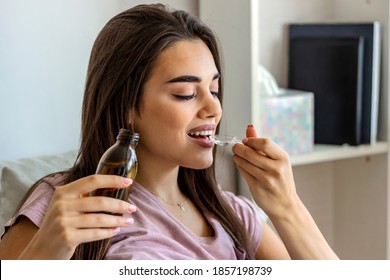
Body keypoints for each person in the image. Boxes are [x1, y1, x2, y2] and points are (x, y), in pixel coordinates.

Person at [0, 3, 338, 260]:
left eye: (214, 90)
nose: (214, 109)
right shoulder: (66, 205)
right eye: (186, 94)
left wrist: (287, 207)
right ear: (127, 106)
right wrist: (44, 252)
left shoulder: (234, 214)